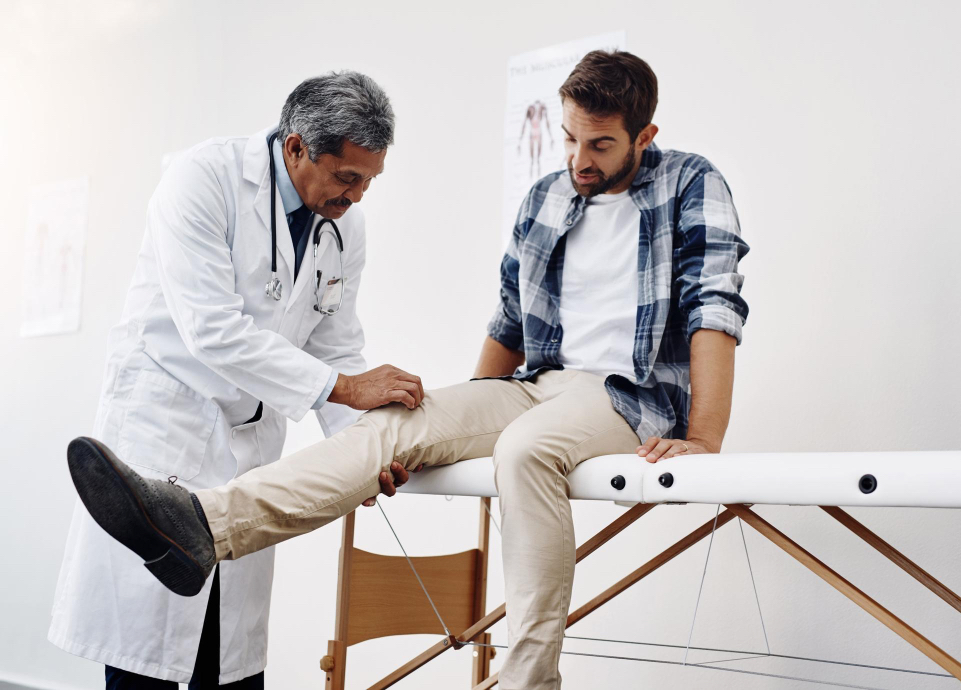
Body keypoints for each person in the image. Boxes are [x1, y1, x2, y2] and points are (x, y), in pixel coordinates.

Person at [67, 50, 750, 689]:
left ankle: (529, 678)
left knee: (522, 449)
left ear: (644, 134)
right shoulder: (545, 199)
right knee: (395, 423)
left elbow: (712, 308)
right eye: (570, 139)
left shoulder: (692, 183)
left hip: (626, 396)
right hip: (525, 387)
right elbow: (507, 322)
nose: (578, 159)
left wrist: (705, 436)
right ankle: (200, 523)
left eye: (599, 144)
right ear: (298, 147)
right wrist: (409, 432)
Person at [50, 70, 423, 688]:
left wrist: (369, 447)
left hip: (248, 452)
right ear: (297, 145)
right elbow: (212, 330)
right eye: (347, 177)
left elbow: (337, 345)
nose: (356, 197)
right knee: (149, 653)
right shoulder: (204, 179)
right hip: (168, 427)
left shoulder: (342, 226)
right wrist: (344, 389)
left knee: (226, 660)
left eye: (368, 181)